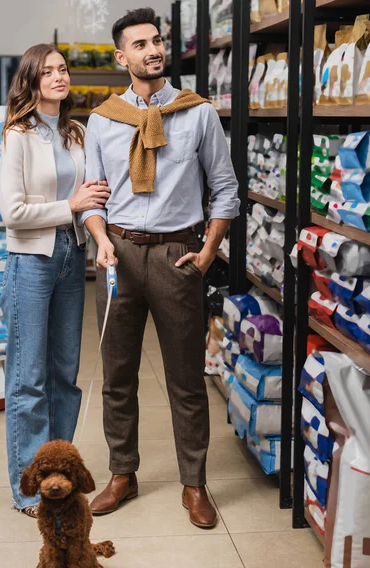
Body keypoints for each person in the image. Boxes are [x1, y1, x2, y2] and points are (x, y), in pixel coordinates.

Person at [81, 8, 240, 529]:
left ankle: (193, 484)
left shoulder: (198, 113)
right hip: (119, 256)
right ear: (121, 57)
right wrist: (101, 239)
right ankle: (122, 474)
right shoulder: (103, 120)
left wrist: (210, 247)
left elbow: (225, 189)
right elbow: (93, 198)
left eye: (156, 41)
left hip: (178, 255)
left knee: (186, 378)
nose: (152, 50)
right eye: (140, 44)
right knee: (117, 376)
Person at [0, 44, 111, 517]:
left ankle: (59, 480)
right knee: (29, 379)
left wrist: (99, 236)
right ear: (31, 80)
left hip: (71, 256)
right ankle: (29, 490)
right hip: (30, 261)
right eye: (48, 72)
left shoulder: (76, 132)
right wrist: (72, 206)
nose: (60, 77)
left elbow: (89, 199)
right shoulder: (19, 134)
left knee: (65, 373)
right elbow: (14, 212)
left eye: (63, 69)